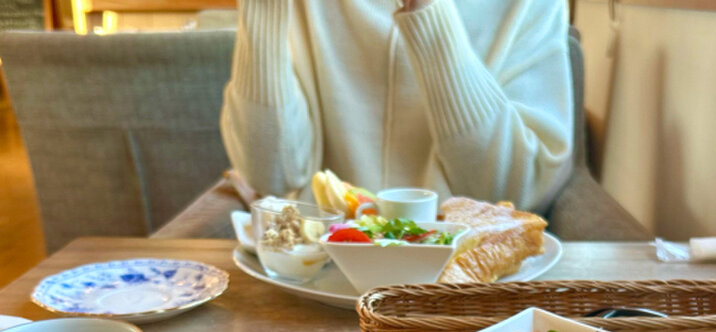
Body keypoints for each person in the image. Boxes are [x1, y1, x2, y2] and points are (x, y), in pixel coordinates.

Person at [220, 0, 573, 214]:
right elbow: (272, 177)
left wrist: (430, 15)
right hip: (319, 269)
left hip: (466, 283)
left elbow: (511, 196)